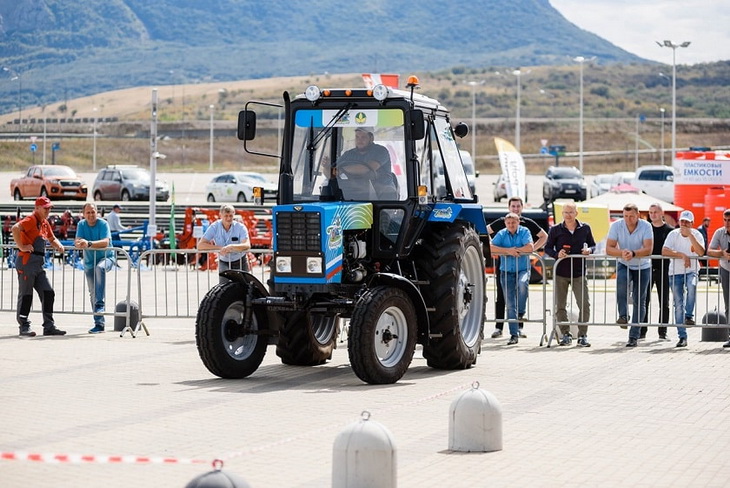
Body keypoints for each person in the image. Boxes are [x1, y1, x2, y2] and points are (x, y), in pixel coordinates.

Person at [487, 196, 548, 339]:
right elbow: (485, 233)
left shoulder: (527, 224)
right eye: (513, 206)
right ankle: (499, 326)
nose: (515, 209)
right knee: (502, 296)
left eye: (518, 206)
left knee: (521, 290)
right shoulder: (502, 222)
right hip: (504, 265)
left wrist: (530, 251)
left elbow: (544, 236)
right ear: (509, 208)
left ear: (522, 207)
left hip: (521, 265)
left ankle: (519, 327)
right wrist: (499, 250)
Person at [11, 196, 66, 337]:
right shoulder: (31, 220)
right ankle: (24, 326)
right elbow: (15, 228)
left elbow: (52, 238)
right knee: (26, 295)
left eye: (49, 208)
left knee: (48, 292)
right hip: (27, 262)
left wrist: (58, 245)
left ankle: (49, 326)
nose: (48, 210)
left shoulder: (44, 223)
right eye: (45, 208)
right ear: (37, 208)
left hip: (38, 265)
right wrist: (21, 246)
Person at [544, 202, 596, 347]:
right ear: (562, 214)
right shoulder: (555, 229)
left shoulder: (585, 228)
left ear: (576, 213)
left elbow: (593, 245)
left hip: (579, 273)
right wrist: (556, 254)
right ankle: (565, 334)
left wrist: (589, 251)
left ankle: (583, 335)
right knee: (560, 305)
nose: (568, 215)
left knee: (584, 304)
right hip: (561, 272)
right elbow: (547, 247)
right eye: (566, 212)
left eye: (571, 212)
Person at [605, 203, 653, 347]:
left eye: (631, 216)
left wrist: (633, 253)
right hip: (624, 263)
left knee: (640, 299)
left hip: (642, 265)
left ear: (638, 215)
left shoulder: (646, 226)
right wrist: (623, 253)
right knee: (621, 285)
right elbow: (609, 248)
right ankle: (623, 315)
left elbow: (648, 249)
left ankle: (634, 336)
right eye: (625, 216)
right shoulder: (616, 226)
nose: (628, 219)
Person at [489, 212, 534, 345]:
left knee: (522, 284)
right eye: (508, 223)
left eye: (513, 222)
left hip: (522, 269)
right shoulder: (502, 233)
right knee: (509, 305)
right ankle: (513, 334)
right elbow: (491, 248)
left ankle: (521, 312)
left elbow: (530, 247)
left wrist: (516, 250)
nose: (511, 225)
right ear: (505, 224)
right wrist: (508, 251)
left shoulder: (525, 231)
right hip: (506, 271)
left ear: (518, 222)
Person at [662, 210, 705, 348]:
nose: (684, 224)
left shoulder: (697, 234)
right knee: (678, 304)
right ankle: (682, 336)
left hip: (692, 270)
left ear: (692, 223)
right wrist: (681, 255)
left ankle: (689, 315)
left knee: (692, 286)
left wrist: (690, 236)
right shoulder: (673, 234)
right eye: (682, 221)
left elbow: (700, 252)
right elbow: (664, 251)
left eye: (687, 222)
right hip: (675, 272)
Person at [75, 203, 115, 334]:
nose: (91, 215)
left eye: (93, 212)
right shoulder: (81, 224)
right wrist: (79, 243)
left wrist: (89, 243)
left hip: (106, 258)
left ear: (97, 212)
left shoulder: (103, 224)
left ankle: (100, 305)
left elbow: (106, 242)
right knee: (92, 292)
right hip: (89, 262)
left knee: (100, 268)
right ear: (83, 214)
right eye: (88, 213)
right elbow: (78, 240)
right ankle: (99, 323)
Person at [641, 203, 673, 340]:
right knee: (644, 300)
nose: (653, 215)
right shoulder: (646, 229)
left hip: (664, 269)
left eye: (655, 212)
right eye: (650, 212)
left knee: (664, 301)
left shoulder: (669, 230)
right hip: (647, 268)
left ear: (662, 213)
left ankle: (663, 332)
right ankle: (642, 331)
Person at [337, 127, 397, 199]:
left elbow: (367, 168)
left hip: (381, 190)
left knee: (388, 192)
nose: (360, 140)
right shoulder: (348, 154)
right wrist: (327, 167)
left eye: (363, 137)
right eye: (357, 137)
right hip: (356, 190)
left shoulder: (381, 151)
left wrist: (342, 169)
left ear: (371, 138)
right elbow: (333, 173)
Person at [197, 204, 251, 284]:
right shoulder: (214, 227)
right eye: (226, 216)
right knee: (223, 287)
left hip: (240, 261)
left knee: (245, 287)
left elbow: (247, 245)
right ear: (220, 215)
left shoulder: (240, 227)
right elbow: (200, 245)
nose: (229, 218)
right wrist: (220, 248)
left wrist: (232, 247)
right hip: (224, 261)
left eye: (231, 216)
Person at [706, 208, 730, 348]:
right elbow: (709, 251)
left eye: (729, 220)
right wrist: (722, 253)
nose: (727, 223)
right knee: (728, 305)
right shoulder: (719, 232)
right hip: (726, 270)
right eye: (725, 220)